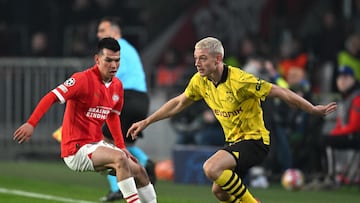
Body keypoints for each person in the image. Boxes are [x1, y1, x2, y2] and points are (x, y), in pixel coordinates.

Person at [127, 37, 337, 203]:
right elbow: (178, 103)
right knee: (220, 192)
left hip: (255, 141)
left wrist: (311, 108)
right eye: (196, 58)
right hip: (234, 142)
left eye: (203, 58)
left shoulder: (240, 81)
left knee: (211, 168)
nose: (197, 63)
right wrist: (147, 122)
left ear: (217, 59)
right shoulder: (200, 81)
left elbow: (280, 91)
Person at [13, 37, 157, 203]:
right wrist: (31, 123)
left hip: (97, 145)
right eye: (108, 60)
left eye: (117, 61)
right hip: (75, 149)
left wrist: (121, 146)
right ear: (97, 59)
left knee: (139, 171)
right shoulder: (82, 80)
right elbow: (51, 96)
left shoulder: (117, 85)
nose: (113, 65)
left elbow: (112, 116)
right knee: (120, 158)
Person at [96, 16, 156, 202]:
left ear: (115, 33)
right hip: (142, 99)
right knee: (124, 143)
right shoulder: (129, 49)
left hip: (127, 97)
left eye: (102, 30)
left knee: (104, 140)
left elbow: (105, 78)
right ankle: (145, 162)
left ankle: (117, 188)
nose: (99, 34)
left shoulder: (114, 48)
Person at [320, 65, 360, 188]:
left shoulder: (357, 97)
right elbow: (340, 124)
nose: (342, 81)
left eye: (346, 78)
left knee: (327, 141)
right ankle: (330, 174)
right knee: (322, 140)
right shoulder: (344, 98)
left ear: (353, 80)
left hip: (356, 135)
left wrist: (333, 135)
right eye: (340, 78)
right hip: (350, 134)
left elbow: (354, 126)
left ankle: (331, 178)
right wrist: (334, 133)